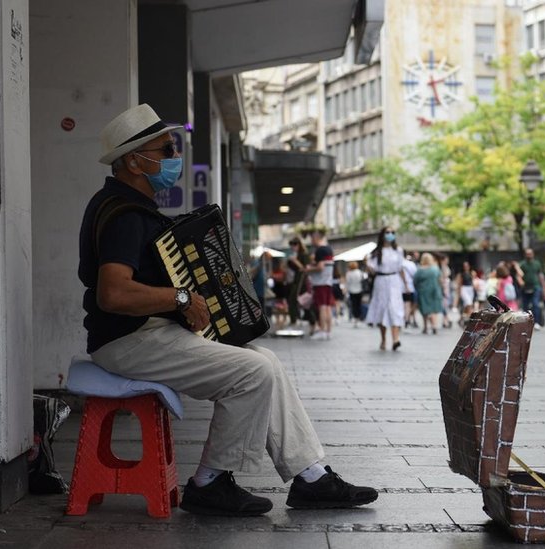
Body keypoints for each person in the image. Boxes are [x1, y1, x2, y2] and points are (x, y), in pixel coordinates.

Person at [79, 104, 377, 517]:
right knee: (252, 372)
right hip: (128, 340)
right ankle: (210, 482)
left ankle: (311, 475)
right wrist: (182, 299)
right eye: (166, 150)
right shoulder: (123, 216)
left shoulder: (134, 210)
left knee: (266, 361)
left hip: (146, 334)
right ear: (133, 161)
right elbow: (112, 294)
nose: (174, 157)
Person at [365, 227, 409, 350]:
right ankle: (383, 339)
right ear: (382, 235)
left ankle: (396, 339)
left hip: (394, 281)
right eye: (388, 232)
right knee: (382, 308)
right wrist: (366, 264)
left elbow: (401, 268)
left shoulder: (398, 250)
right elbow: (372, 271)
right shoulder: (376, 252)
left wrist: (406, 284)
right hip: (381, 281)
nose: (390, 235)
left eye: (392, 233)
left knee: (394, 308)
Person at [306, 228, 335, 340]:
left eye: (312, 238)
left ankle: (322, 330)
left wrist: (308, 269)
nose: (311, 241)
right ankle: (328, 331)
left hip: (320, 282)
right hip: (328, 281)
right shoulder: (329, 249)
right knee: (327, 307)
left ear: (316, 238)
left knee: (322, 307)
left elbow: (320, 267)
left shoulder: (320, 250)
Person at [413, 253, 443, 334]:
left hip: (423, 292)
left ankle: (425, 327)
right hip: (435, 291)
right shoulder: (435, 269)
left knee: (424, 309)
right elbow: (440, 280)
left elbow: (415, 281)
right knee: (434, 309)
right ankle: (434, 326)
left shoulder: (420, 270)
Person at [286, 237, 311, 328]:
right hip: (296, 280)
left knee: (303, 300)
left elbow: (305, 268)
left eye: (294, 245)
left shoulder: (304, 254)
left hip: (303, 281)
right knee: (292, 300)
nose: (293, 247)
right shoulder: (294, 254)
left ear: (299, 245)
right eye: (291, 245)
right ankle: (295, 319)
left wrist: (295, 261)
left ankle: (309, 319)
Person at [518, 248, 545, 327]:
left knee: (535, 304)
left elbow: (540, 275)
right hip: (525, 287)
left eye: (530, 254)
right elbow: (518, 275)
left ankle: (536, 322)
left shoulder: (537, 264)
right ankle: (526, 322)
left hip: (535, 286)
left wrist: (544, 287)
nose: (528, 255)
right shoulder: (522, 264)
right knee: (525, 305)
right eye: (527, 254)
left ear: (533, 254)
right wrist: (520, 281)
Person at [344, 261, 366, 326]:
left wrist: (346, 290)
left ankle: (355, 318)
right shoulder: (359, 272)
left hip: (352, 291)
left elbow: (347, 283)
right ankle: (358, 317)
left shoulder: (349, 273)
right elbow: (363, 280)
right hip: (359, 290)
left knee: (354, 305)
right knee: (359, 304)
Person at [454, 260, 476, 325]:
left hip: (470, 289)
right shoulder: (461, 274)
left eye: (467, 266)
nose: (466, 267)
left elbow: (473, 281)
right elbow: (460, 283)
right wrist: (459, 292)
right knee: (468, 303)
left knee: (467, 305)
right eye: (465, 266)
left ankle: (461, 318)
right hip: (464, 288)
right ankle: (469, 318)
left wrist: (474, 289)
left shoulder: (471, 273)